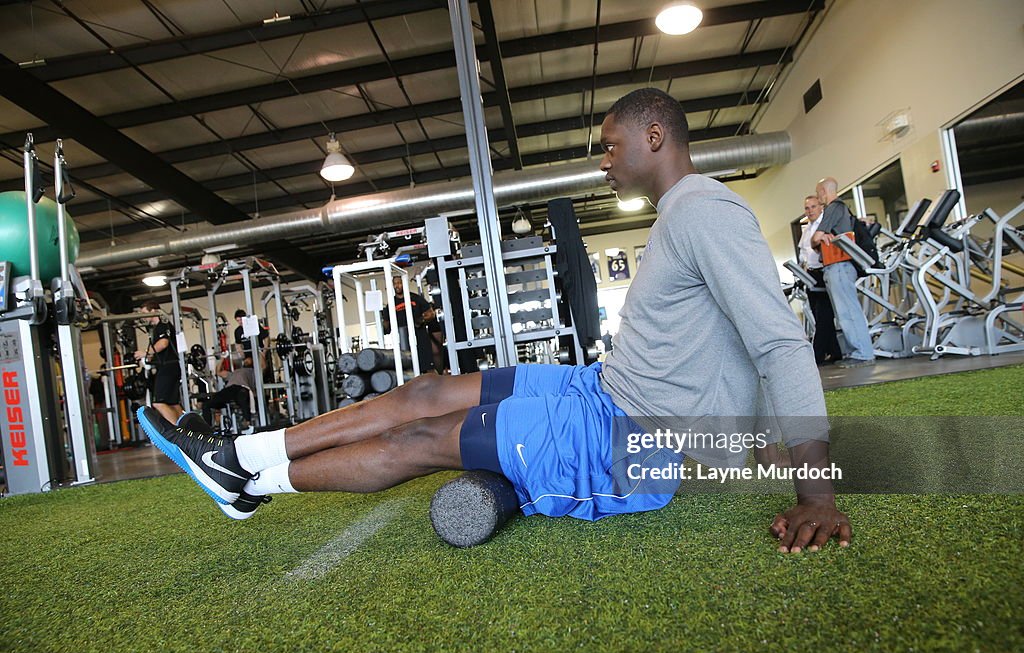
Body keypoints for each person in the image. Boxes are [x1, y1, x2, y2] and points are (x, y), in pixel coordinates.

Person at [138, 88, 850, 553]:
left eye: (609, 145)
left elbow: (781, 343)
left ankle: (252, 483)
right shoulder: (678, 215)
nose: (603, 161)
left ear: (655, 135)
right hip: (597, 388)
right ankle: (240, 456)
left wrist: (814, 492)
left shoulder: (706, 210)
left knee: (420, 437)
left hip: (629, 441)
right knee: (425, 390)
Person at [811, 178, 876, 368]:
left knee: (848, 310)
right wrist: (820, 238)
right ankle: (858, 351)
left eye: (818, 192)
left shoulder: (834, 207)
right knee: (844, 312)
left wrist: (820, 236)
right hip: (836, 266)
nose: (818, 196)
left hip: (840, 266)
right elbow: (817, 241)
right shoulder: (842, 209)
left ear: (824, 191)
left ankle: (863, 353)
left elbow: (815, 238)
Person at [798, 195, 842, 364]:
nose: (810, 211)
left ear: (821, 207)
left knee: (824, 315)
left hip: (823, 272)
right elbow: (804, 255)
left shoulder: (825, 226)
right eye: (807, 208)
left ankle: (817, 355)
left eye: (813, 207)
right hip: (810, 275)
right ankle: (835, 351)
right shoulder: (807, 229)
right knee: (818, 315)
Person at [137, 300, 184, 424]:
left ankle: (178, 435)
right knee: (173, 403)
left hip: (168, 367)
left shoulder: (163, 325)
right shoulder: (158, 328)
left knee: (158, 403)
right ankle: (187, 432)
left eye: (144, 313)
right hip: (170, 366)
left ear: (153, 311)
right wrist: (149, 357)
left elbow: (163, 343)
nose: (143, 317)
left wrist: (146, 353)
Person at [383, 276, 440, 374]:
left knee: (428, 366)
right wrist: (384, 328)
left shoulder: (415, 298)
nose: (397, 285)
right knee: (408, 369)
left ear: (404, 284)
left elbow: (431, 314)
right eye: (395, 283)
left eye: (399, 283)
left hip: (420, 337)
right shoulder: (391, 304)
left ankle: (438, 386)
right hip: (403, 339)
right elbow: (386, 325)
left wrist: (421, 320)